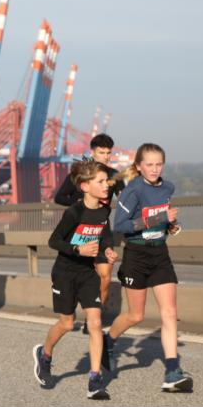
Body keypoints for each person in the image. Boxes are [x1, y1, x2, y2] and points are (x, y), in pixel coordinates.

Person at [106, 143, 193, 393]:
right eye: (149, 165)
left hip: (160, 254)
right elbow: (120, 225)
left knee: (170, 312)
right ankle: (108, 341)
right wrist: (160, 218)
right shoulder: (133, 190)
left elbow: (163, 220)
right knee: (136, 316)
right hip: (136, 255)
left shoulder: (167, 188)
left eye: (158, 164)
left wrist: (172, 227)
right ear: (139, 166)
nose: (154, 169)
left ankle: (172, 371)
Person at [33, 161, 118, 399]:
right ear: (85, 186)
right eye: (101, 181)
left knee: (95, 323)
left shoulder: (104, 212)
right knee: (67, 324)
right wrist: (78, 250)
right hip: (65, 273)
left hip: (87, 274)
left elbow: (105, 238)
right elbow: (54, 241)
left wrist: (108, 251)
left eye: (107, 181)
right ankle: (44, 355)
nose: (107, 185)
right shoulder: (74, 212)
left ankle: (95, 379)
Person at [54, 133, 125, 333]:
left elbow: (124, 200)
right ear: (92, 152)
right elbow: (59, 197)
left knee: (105, 276)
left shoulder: (114, 176)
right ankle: (70, 310)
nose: (106, 156)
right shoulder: (80, 175)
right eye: (102, 152)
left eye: (109, 153)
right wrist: (79, 203)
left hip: (102, 230)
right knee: (77, 273)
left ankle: (92, 320)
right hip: (79, 230)